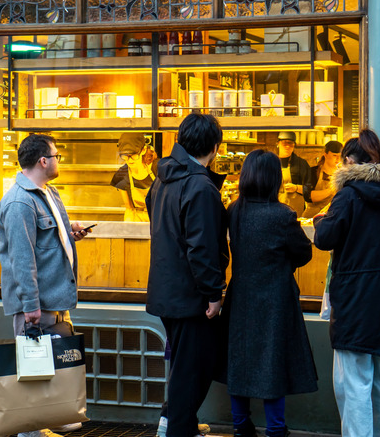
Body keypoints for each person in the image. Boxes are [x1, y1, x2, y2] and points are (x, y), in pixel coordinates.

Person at [0, 134, 91, 437]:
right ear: (43, 160)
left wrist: (68, 232)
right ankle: (32, 431)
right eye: (56, 155)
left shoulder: (47, 192)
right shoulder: (19, 202)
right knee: (33, 373)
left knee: (50, 369)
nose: (57, 160)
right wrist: (31, 306)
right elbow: (21, 260)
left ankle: (50, 420)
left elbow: (43, 241)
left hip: (54, 300)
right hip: (37, 305)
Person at [313, 129, 380, 437]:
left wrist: (320, 220)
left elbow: (325, 239)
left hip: (355, 300)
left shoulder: (347, 196)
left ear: (350, 161)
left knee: (354, 385)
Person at [223, 150, 318, 437]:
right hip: (275, 298)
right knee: (272, 361)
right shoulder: (282, 215)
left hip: (240, 295)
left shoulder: (234, 211)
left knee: (238, 361)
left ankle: (241, 425)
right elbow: (303, 254)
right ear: (275, 178)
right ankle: (276, 429)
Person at [145, 113, 229, 437]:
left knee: (183, 365)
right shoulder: (200, 186)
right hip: (191, 295)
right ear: (216, 147)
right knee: (194, 370)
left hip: (166, 289)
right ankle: (179, 429)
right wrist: (213, 294)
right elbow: (202, 248)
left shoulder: (163, 179)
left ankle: (178, 424)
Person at [110, 133, 157, 222]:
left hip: (158, 217)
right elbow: (129, 208)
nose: (129, 160)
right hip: (137, 218)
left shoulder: (158, 168)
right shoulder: (122, 174)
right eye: (125, 156)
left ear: (143, 150)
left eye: (133, 155)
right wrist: (128, 229)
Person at [275, 132, 313, 217]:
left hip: (295, 211)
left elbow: (309, 189)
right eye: (285, 143)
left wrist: (296, 188)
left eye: (291, 143)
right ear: (278, 144)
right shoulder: (271, 163)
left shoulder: (301, 164)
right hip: (274, 209)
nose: (288, 146)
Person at [302, 140, 342, 218]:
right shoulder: (312, 172)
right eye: (334, 155)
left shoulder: (343, 174)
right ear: (325, 155)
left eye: (340, 156)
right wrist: (331, 190)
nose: (338, 159)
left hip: (334, 216)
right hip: (312, 217)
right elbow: (308, 196)